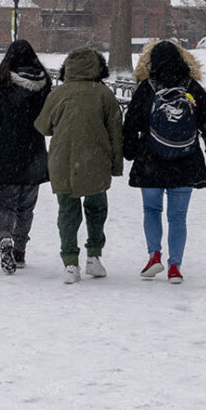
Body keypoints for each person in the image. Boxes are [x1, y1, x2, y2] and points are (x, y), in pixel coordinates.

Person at [122, 39, 206, 284]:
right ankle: (175, 266)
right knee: (178, 216)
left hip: (150, 159)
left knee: (151, 210)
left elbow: (130, 124)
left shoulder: (147, 87)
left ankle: (154, 255)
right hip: (185, 159)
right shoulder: (192, 87)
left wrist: (130, 151)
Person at [34, 46, 123, 284]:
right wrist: (116, 166)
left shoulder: (58, 93)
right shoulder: (105, 95)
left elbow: (43, 127)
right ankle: (94, 256)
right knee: (96, 209)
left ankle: (70, 263)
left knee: (67, 212)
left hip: (62, 161)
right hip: (96, 160)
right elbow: (116, 132)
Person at [0, 40, 52, 274]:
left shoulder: (2, 83)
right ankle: (19, 248)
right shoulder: (44, 84)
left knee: (6, 203)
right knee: (26, 206)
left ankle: (5, 238)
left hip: (6, 150)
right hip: (34, 151)